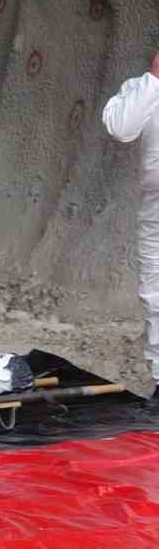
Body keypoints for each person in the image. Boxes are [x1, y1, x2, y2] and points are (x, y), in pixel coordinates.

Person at [102, 49, 159, 407]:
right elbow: (122, 129)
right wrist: (154, 79)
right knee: (156, 294)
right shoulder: (140, 87)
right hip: (156, 209)